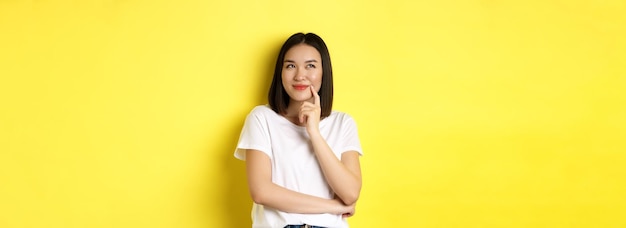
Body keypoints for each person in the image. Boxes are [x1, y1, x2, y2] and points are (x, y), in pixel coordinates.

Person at [234, 32, 363, 228]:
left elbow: (350, 193)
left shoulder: (343, 123)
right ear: (281, 72)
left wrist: (314, 133)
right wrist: (333, 207)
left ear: (323, 72)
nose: (300, 75)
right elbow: (261, 192)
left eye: (310, 65)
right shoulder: (262, 118)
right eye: (290, 66)